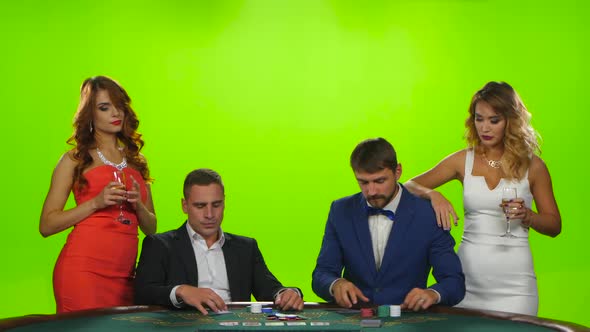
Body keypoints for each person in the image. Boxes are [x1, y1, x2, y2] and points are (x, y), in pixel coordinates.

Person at [404, 81, 561, 316]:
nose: (484, 128)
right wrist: (432, 194)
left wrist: (528, 216)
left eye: (493, 120)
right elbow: (407, 186)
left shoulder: (534, 166)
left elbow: (554, 225)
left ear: (511, 120)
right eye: (479, 119)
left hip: (516, 287)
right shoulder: (461, 160)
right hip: (466, 280)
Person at [40, 76, 157, 313]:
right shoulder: (74, 159)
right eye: (104, 108)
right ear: (90, 114)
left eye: (119, 106)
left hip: (125, 276)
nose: (116, 113)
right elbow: (47, 225)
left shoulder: (137, 161)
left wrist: (139, 207)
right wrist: (96, 202)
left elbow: (151, 227)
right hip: (83, 271)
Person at [312, 138, 465, 311]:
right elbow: (321, 274)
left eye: (379, 181)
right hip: (354, 320)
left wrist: (432, 294)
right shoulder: (340, 210)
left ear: (397, 171)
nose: (371, 192)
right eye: (363, 182)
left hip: (409, 322)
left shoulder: (428, 215)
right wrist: (335, 284)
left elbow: (454, 282)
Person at [134, 168, 304, 314]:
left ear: (224, 203)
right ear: (184, 206)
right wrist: (181, 291)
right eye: (200, 206)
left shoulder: (246, 247)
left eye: (216, 205)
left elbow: (270, 289)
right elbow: (142, 292)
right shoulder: (159, 245)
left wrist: (288, 293)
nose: (209, 214)